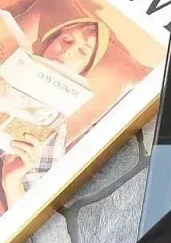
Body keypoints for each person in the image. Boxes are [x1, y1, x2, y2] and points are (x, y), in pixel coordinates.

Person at [0, 17, 109, 212]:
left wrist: (12, 180)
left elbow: (28, 215)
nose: (68, 51)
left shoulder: (55, 125)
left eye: (82, 52)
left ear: (84, 69)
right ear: (49, 42)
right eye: (67, 40)